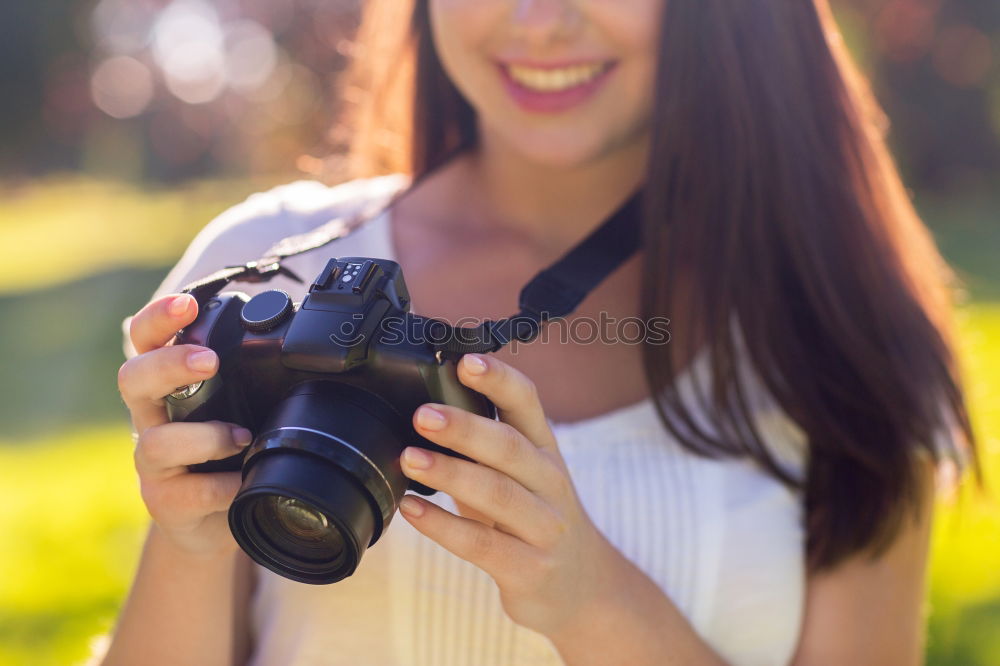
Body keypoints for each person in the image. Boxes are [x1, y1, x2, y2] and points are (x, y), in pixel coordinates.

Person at [106, 0, 977, 664]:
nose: (540, 22)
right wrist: (189, 542)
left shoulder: (839, 334)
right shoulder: (265, 265)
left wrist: (591, 600)